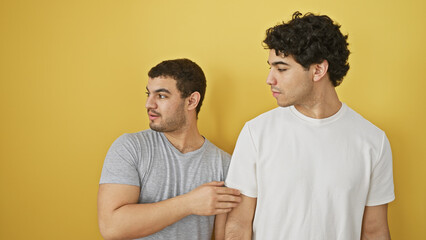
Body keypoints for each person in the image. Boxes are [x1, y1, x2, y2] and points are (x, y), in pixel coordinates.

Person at [224, 12, 395, 240]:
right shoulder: (256, 133)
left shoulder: (373, 141)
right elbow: (238, 224)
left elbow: (374, 231)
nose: (269, 79)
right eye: (270, 67)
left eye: (281, 69)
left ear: (318, 70)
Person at [98, 58, 241, 240]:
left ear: (191, 101)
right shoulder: (130, 147)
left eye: (162, 96)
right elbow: (111, 227)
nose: (149, 104)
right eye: (148, 94)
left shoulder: (224, 164)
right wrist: (189, 203)